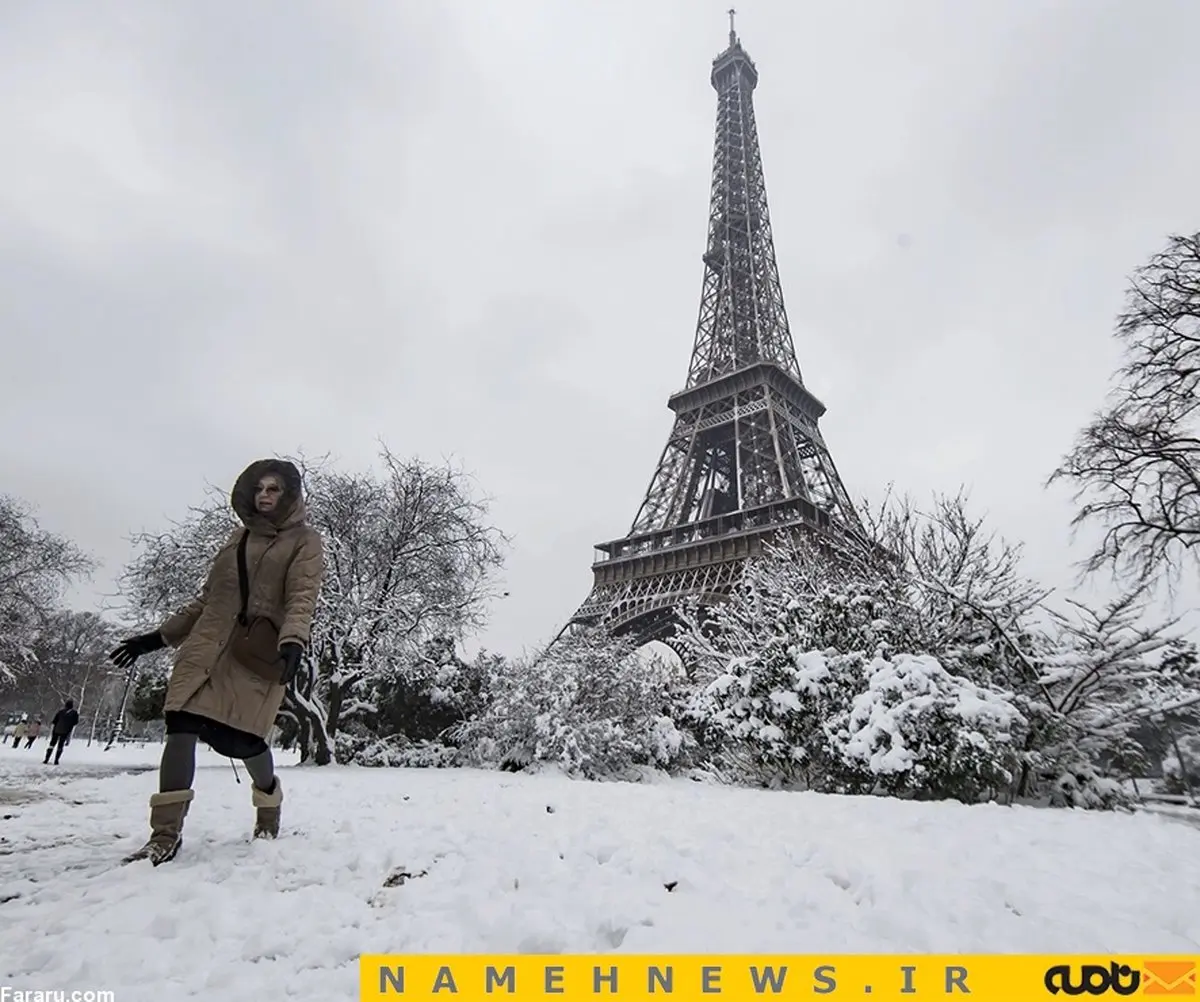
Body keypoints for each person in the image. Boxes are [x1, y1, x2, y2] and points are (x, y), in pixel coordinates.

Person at [108, 458, 324, 866]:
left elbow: (302, 595)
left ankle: (268, 805)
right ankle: (165, 835)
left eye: (273, 489)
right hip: (205, 649)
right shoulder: (237, 538)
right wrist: (157, 637)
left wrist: (293, 640)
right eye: (258, 488)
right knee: (181, 725)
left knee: (246, 742)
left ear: (290, 494)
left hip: (255, 654)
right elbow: (208, 599)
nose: (264, 495)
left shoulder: (305, 541)